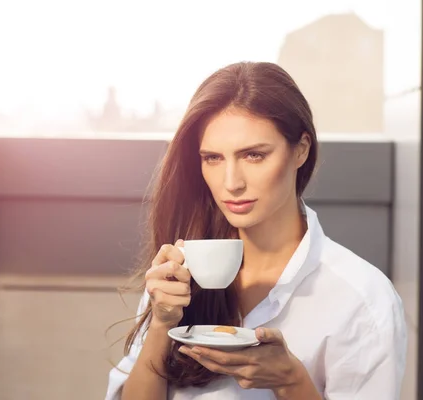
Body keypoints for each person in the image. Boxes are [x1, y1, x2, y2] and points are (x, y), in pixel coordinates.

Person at [105, 61, 407, 400]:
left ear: (301, 149)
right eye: (213, 158)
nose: (231, 183)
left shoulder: (362, 299)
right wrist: (161, 324)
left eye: (253, 155)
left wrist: (292, 382)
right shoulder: (178, 274)